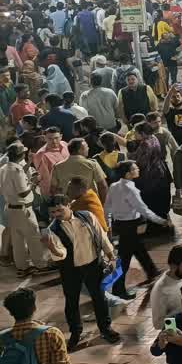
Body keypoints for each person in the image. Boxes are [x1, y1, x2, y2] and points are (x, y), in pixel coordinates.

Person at [41, 195, 119, 348]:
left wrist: (111, 256)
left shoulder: (87, 216)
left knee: (99, 298)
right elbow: (61, 254)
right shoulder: (52, 230)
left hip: (93, 265)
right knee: (71, 302)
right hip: (70, 270)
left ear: (69, 205)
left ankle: (105, 328)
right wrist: (52, 248)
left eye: (59, 210)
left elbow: (101, 236)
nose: (56, 214)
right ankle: (76, 333)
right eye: (53, 213)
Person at [105, 160, 171, 299]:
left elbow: (107, 207)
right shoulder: (130, 190)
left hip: (120, 225)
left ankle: (151, 271)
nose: (138, 170)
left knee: (138, 249)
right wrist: (162, 221)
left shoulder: (114, 186)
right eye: (135, 168)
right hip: (130, 226)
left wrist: (108, 224)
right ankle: (117, 290)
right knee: (124, 260)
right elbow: (143, 210)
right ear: (128, 173)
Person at [0, 143, 47, 276]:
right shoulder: (17, 170)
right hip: (23, 209)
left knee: (17, 239)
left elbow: (17, 175)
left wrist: (29, 163)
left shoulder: (4, 167)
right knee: (33, 237)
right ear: (21, 155)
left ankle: (22, 267)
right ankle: (41, 265)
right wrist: (34, 182)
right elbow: (23, 193)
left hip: (10, 208)